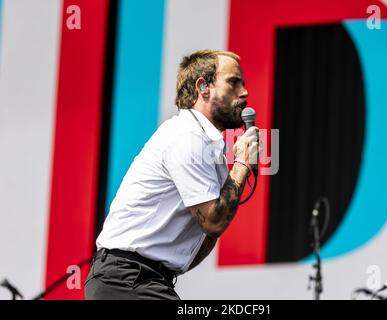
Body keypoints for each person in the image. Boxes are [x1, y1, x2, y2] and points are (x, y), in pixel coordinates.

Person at [84, 49, 260, 300]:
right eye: (233, 82)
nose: (244, 92)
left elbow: (209, 231)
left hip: (138, 280)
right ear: (203, 87)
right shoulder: (187, 136)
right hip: (126, 280)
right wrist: (242, 163)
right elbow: (214, 222)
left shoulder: (209, 149)